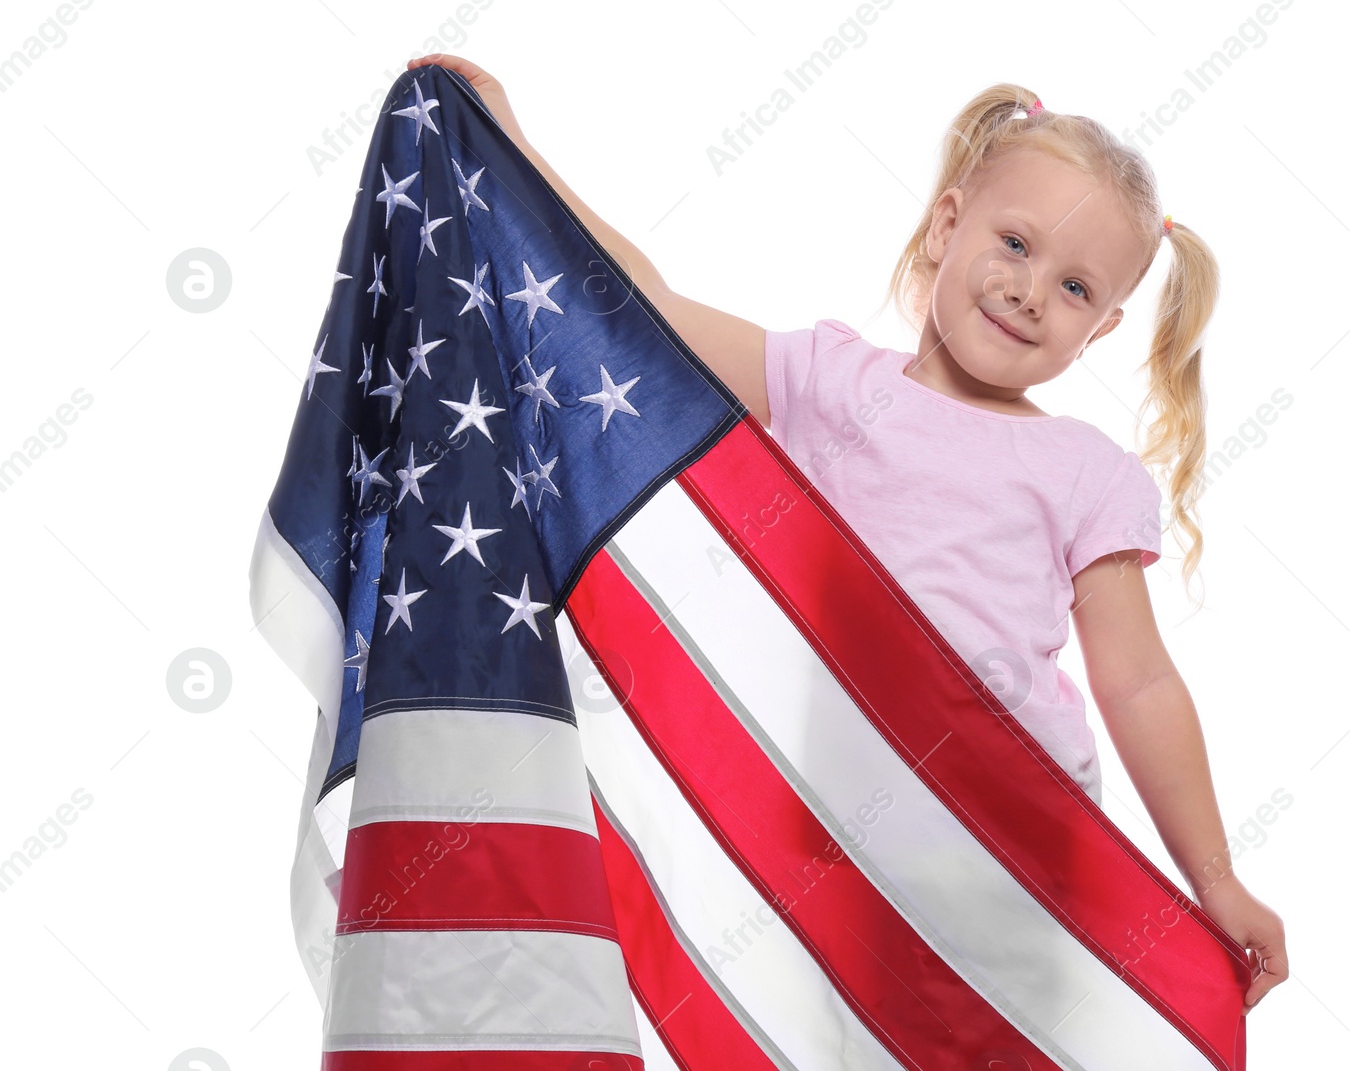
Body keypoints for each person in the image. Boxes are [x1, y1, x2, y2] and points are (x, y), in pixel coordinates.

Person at [405, 52, 1289, 1014]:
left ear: (1104, 331)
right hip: (830, 840)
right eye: (1016, 244)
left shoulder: (1088, 472)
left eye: (1077, 289)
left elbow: (1140, 680)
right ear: (949, 225)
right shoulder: (832, 383)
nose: (1034, 291)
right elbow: (646, 311)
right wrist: (509, 147)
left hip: (1016, 859)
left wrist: (1217, 880)